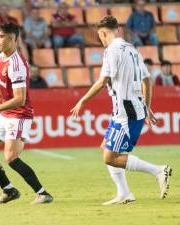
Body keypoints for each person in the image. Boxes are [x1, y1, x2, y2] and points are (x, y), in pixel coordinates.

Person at [70, 16, 172, 205]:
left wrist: (82, 101)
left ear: (102, 33)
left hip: (126, 112)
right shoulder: (132, 49)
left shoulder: (111, 50)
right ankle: (124, 193)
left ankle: (158, 171)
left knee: (110, 157)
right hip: (130, 109)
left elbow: (102, 82)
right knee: (105, 148)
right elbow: (147, 80)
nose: (100, 39)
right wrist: (147, 106)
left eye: (99, 36)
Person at [0, 23, 53, 204]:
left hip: (19, 115)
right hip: (6, 114)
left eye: (0, 37)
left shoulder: (17, 64)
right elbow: (5, 84)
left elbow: (20, 99)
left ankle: (43, 193)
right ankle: (9, 190)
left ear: (12, 39)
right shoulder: (2, 57)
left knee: (11, 157)